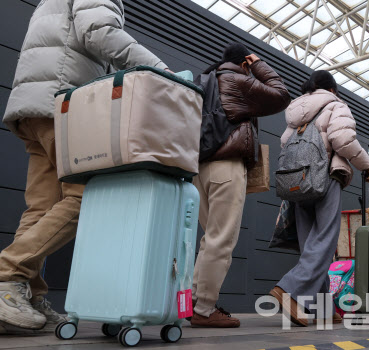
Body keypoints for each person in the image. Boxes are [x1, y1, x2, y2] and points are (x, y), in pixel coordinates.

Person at [0, 0, 171, 332]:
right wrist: (159, 69)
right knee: (84, 198)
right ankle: (7, 274)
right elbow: (99, 32)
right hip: (63, 103)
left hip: (34, 106)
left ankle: (23, 295)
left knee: (41, 208)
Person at [190, 43, 290, 328]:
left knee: (210, 239)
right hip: (226, 165)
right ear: (244, 63)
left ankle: (197, 302)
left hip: (199, 167)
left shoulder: (205, 79)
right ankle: (205, 309)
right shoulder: (238, 78)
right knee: (222, 240)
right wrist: (258, 63)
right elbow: (281, 94)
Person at [270, 70, 369, 326]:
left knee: (312, 247)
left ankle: (323, 308)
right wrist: (366, 166)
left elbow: (285, 143)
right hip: (325, 177)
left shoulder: (295, 112)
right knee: (326, 243)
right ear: (332, 89)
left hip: (297, 182)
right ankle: (289, 289)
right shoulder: (335, 104)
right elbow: (342, 139)